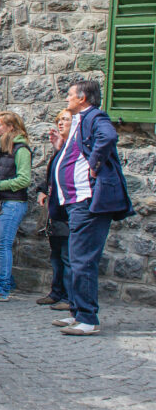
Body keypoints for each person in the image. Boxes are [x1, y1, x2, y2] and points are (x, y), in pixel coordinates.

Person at [49, 80, 133, 336]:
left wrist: (94, 164)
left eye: (70, 95)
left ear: (83, 98)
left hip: (88, 201)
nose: (67, 99)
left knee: (83, 260)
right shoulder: (80, 121)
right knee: (77, 258)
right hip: (77, 203)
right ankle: (77, 312)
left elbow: (108, 137)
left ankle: (87, 318)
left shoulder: (94, 116)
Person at [0, 111, 33, 301]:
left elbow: (24, 179)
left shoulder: (21, 150)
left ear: (10, 127)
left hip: (13, 202)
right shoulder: (4, 149)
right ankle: (7, 282)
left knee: (3, 244)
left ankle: (2, 289)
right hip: (0, 201)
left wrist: (0, 185)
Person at [35, 109, 74, 311]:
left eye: (65, 120)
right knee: (56, 255)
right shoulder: (61, 149)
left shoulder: (74, 147)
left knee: (68, 256)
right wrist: (42, 190)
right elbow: (52, 177)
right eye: (59, 120)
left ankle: (68, 297)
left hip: (68, 210)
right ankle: (57, 292)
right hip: (55, 210)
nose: (60, 123)